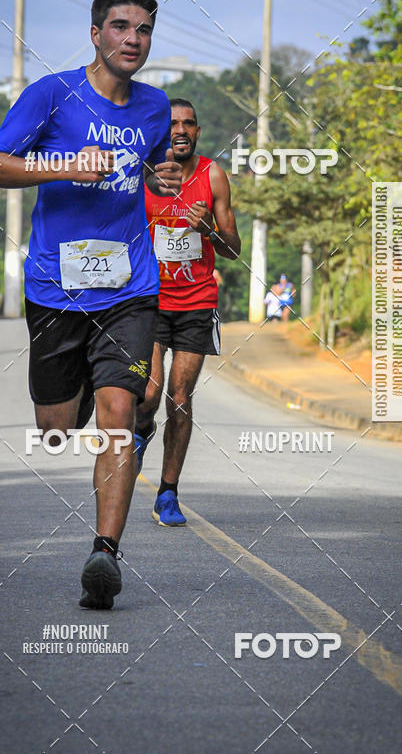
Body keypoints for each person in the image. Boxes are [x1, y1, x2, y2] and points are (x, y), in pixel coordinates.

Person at [0, 0, 182, 609]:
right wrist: (63, 165)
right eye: (121, 27)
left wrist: (161, 176)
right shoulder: (51, 95)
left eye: (143, 30)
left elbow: (144, 168)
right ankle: (82, 395)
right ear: (96, 34)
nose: (133, 40)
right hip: (55, 288)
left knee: (120, 417)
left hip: (129, 288)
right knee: (56, 429)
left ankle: (105, 554)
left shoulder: (154, 107)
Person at [134, 99, 241, 526]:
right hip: (150, 300)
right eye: (172, 123)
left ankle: (167, 493)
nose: (180, 130)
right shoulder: (142, 174)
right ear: (162, 130)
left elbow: (234, 249)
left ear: (197, 131)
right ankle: (142, 431)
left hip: (197, 302)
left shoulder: (212, 175)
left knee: (180, 397)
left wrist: (209, 229)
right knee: (148, 395)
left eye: (188, 124)